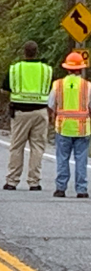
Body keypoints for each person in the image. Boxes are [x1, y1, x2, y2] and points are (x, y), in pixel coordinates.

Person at [1, 41, 53, 191]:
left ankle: (12, 181)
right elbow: (51, 89)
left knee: (17, 146)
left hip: (20, 112)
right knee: (37, 147)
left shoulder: (15, 69)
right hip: (41, 112)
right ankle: (34, 182)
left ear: (24, 52)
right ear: (37, 52)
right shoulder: (46, 70)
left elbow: (5, 89)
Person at [48, 52, 90, 198]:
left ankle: (60, 188)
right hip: (83, 128)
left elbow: (51, 104)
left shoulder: (58, 85)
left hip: (63, 126)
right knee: (81, 159)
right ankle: (82, 190)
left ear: (67, 68)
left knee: (62, 158)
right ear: (81, 69)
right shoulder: (87, 86)